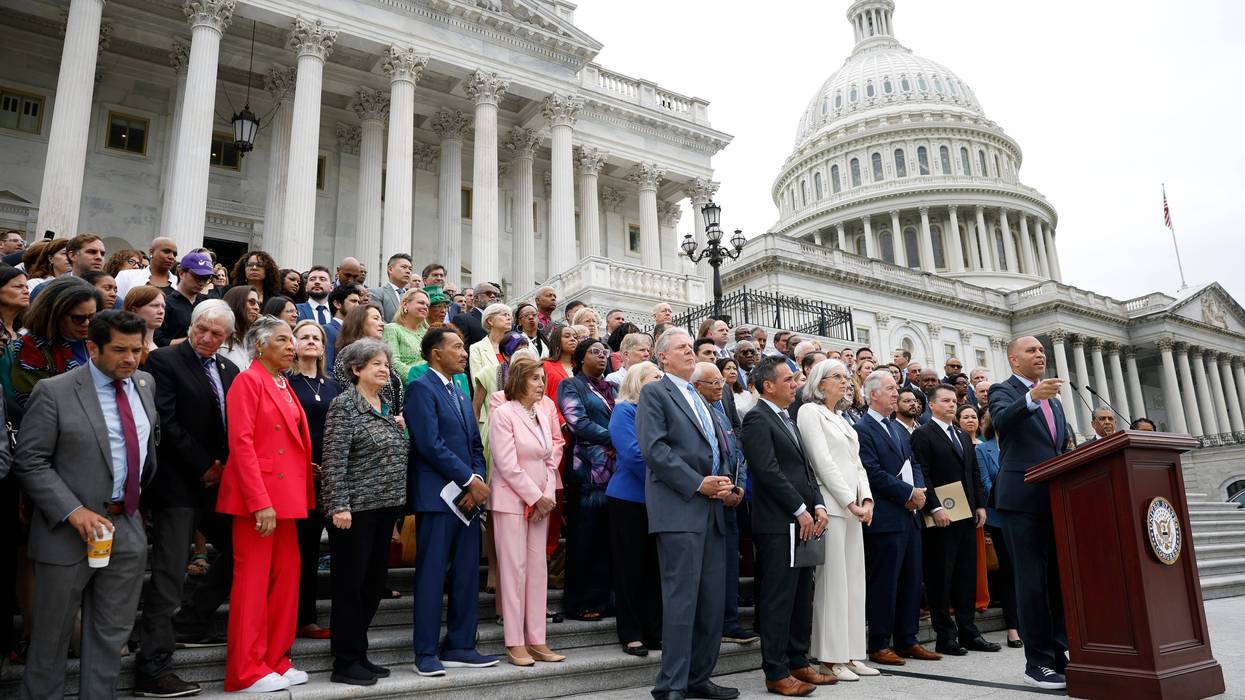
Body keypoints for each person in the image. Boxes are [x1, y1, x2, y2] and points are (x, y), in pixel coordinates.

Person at [15, 310, 155, 699]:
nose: (130, 358)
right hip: (66, 530)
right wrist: (72, 510)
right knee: (51, 637)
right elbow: (30, 461)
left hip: (125, 526)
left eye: (137, 349)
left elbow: (145, 452)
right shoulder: (55, 390)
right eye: (120, 350)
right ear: (92, 347)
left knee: (111, 636)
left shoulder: (145, 383)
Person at [135, 300, 239, 697]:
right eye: (204, 330)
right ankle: (153, 664)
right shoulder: (165, 360)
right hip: (179, 483)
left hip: (219, 484)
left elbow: (234, 424)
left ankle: (192, 622)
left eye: (219, 334)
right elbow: (166, 419)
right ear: (192, 325)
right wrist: (203, 466)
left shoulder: (229, 369)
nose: (210, 339)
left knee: (239, 549)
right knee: (168, 574)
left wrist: (225, 467)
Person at [635, 328, 737, 700]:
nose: (690, 353)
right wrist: (698, 483)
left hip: (713, 511)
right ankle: (671, 684)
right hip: (679, 510)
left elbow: (718, 447)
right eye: (681, 348)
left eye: (691, 347)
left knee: (712, 602)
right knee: (682, 601)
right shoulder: (654, 392)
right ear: (663, 357)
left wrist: (728, 484)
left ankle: (699, 677)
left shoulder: (702, 398)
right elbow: (655, 450)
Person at [216, 316, 315, 693]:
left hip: (287, 498)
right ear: (260, 346)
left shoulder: (283, 382)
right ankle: (246, 669)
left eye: (292, 340)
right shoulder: (248, 380)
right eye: (283, 340)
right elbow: (241, 444)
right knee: (253, 586)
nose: (292, 346)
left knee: (287, 578)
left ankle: (275, 658)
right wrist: (260, 502)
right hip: (257, 499)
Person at [405, 326, 499, 676]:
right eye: (457, 347)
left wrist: (476, 478)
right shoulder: (420, 387)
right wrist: (469, 479)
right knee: (431, 577)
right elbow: (428, 444)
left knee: (465, 575)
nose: (464, 353)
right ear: (435, 353)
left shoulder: (460, 390)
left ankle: (460, 645)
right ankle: (426, 652)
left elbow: (475, 443)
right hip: (437, 498)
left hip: (467, 501)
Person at [740, 356, 835, 695]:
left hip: (804, 522)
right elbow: (767, 471)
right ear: (768, 386)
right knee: (778, 599)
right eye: (789, 380)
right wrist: (798, 508)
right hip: (778, 523)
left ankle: (798, 661)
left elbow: (803, 469)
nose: (796, 385)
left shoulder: (787, 418)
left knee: (799, 597)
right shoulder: (756, 418)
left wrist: (818, 503)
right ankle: (776, 671)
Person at [321, 338, 408, 685]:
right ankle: (344, 661)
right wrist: (339, 504)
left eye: (386, 364)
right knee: (350, 587)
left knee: (372, 586)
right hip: (354, 512)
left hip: (385, 508)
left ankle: (359, 652)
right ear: (356, 369)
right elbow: (334, 459)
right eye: (376, 364)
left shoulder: (387, 406)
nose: (384, 369)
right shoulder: (344, 405)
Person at [989, 335, 1072, 690]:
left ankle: (1058, 654)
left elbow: (1060, 447)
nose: (1040, 355)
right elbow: (1002, 422)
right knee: (1031, 583)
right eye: (1031, 351)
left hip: (1053, 499)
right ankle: (1036, 662)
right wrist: (1030, 398)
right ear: (1013, 360)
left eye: (1042, 350)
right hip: (1021, 500)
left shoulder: (1053, 400)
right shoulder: (1003, 390)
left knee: (1056, 581)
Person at [794, 359, 879, 682]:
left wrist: (866, 498)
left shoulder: (841, 417)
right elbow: (822, 462)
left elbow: (857, 464)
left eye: (847, 377)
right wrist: (848, 501)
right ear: (819, 382)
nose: (846, 382)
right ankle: (830, 657)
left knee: (855, 583)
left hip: (854, 508)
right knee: (833, 584)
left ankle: (853, 652)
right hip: (830, 507)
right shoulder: (810, 412)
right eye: (838, 377)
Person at [854, 370, 939, 667]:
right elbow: (871, 472)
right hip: (886, 517)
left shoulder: (897, 428)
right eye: (890, 388)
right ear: (873, 393)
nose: (897, 393)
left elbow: (912, 461)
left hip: (909, 516)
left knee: (911, 581)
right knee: (885, 583)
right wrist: (906, 493)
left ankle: (908, 639)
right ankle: (880, 643)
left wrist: (918, 490)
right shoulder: (862, 428)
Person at [487, 355, 567, 666]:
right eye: (535, 378)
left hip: (540, 503)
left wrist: (545, 497)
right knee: (513, 570)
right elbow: (506, 464)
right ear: (519, 380)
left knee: (537, 571)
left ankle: (537, 639)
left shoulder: (540, 412)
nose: (541, 383)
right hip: (511, 502)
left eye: (542, 378)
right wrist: (535, 497)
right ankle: (514, 641)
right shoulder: (504, 413)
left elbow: (550, 458)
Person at [910, 385, 997, 656]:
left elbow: (972, 472)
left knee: (965, 576)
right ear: (932, 406)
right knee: (941, 577)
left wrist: (980, 506)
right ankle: (945, 637)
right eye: (945, 401)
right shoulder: (923, 434)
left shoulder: (961, 434)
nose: (951, 405)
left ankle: (969, 632)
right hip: (941, 518)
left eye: (953, 401)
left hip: (967, 515)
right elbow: (922, 473)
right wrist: (934, 508)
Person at [693, 362, 758, 647]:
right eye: (714, 382)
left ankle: (729, 622)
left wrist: (739, 487)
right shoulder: (695, 415)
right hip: (704, 502)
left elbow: (737, 455)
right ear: (697, 387)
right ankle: (708, 625)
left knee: (730, 564)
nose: (721, 386)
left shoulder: (721, 416)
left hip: (730, 502)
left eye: (722, 382)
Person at [606, 361, 664, 657]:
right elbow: (633, 454)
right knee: (630, 569)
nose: (661, 379)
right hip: (629, 499)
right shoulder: (625, 410)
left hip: (658, 500)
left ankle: (654, 630)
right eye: (655, 376)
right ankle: (631, 633)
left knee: (654, 568)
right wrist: (669, 478)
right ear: (638, 381)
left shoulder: (661, 410)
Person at [288, 320, 341, 642]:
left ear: (324, 346)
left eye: (316, 338)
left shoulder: (333, 385)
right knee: (304, 551)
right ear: (293, 344)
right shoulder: (286, 382)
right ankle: (302, 617)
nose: (310, 342)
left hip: (332, 479)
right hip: (297, 478)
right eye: (304, 337)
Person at [557, 338, 616, 620]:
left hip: (616, 474)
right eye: (595, 351)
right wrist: (616, 437)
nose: (602, 356)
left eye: (605, 352)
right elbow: (577, 422)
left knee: (607, 540)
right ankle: (578, 602)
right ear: (580, 358)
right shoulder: (571, 385)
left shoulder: (614, 388)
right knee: (584, 540)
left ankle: (602, 599)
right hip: (588, 472)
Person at [973, 407, 1023, 649]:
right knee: (1010, 572)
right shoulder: (983, 449)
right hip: (999, 516)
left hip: (1025, 515)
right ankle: (1013, 628)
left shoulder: (1023, 447)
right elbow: (985, 484)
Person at [11, 277, 102, 404]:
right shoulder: (32, 346)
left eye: (92, 316)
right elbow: (33, 401)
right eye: (78, 318)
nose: (87, 323)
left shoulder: (103, 338)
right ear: (54, 315)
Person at [334, 303, 402, 417]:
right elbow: (353, 394)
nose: (382, 324)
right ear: (359, 322)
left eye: (382, 319)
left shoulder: (383, 354)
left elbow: (396, 389)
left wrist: (400, 415)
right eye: (376, 318)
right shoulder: (347, 353)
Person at [956, 404, 992, 615]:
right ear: (958, 421)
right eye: (965, 417)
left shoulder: (984, 445)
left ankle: (981, 598)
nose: (970, 420)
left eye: (973, 416)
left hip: (978, 508)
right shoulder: (959, 442)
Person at [156, 252, 214, 347]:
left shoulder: (207, 304)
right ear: (182, 274)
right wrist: (192, 340)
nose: (202, 282)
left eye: (206, 278)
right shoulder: (165, 303)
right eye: (197, 277)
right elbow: (157, 340)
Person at [383, 288, 429, 380]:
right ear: (405, 304)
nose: (425, 307)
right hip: (410, 386)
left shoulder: (429, 332)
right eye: (421, 303)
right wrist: (422, 380)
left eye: (427, 305)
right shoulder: (392, 329)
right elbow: (393, 363)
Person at [219, 286, 260, 371]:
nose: (257, 308)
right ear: (236, 302)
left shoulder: (255, 341)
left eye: (258, 304)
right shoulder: (217, 339)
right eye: (251, 302)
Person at [323, 283, 363, 365]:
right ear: (337, 304)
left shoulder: (358, 332)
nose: (358, 306)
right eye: (353, 301)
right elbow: (327, 367)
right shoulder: (327, 330)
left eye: (359, 302)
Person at [452, 281, 501, 348]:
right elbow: (462, 348)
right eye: (488, 293)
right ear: (476, 298)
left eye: (495, 294)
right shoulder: (462, 319)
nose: (493, 296)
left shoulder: (500, 320)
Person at [123, 286, 166, 359]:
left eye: (163, 307)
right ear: (134, 310)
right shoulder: (124, 346)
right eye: (155, 306)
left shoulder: (159, 348)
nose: (161, 311)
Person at [368, 253, 413, 321]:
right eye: (404, 267)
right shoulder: (376, 293)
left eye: (410, 269)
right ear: (390, 269)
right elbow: (379, 321)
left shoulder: (412, 297)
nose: (408, 271)